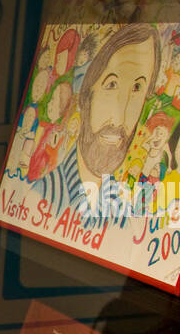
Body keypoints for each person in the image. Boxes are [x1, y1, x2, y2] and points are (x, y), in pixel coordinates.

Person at [32, 23, 161, 222]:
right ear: (85, 96)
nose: (120, 118)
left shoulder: (123, 215)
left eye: (137, 88)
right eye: (112, 85)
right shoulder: (41, 194)